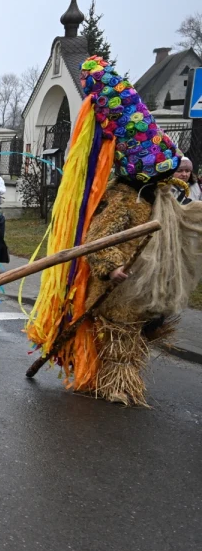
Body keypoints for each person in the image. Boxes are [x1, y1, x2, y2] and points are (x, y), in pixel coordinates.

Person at [29, 54, 202, 406]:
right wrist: (112, 267)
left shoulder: (161, 197)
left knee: (137, 336)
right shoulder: (124, 199)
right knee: (121, 337)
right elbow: (97, 238)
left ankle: (119, 381)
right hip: (119, 290)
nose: (171, 176)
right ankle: (115, 384)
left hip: (146, 290)